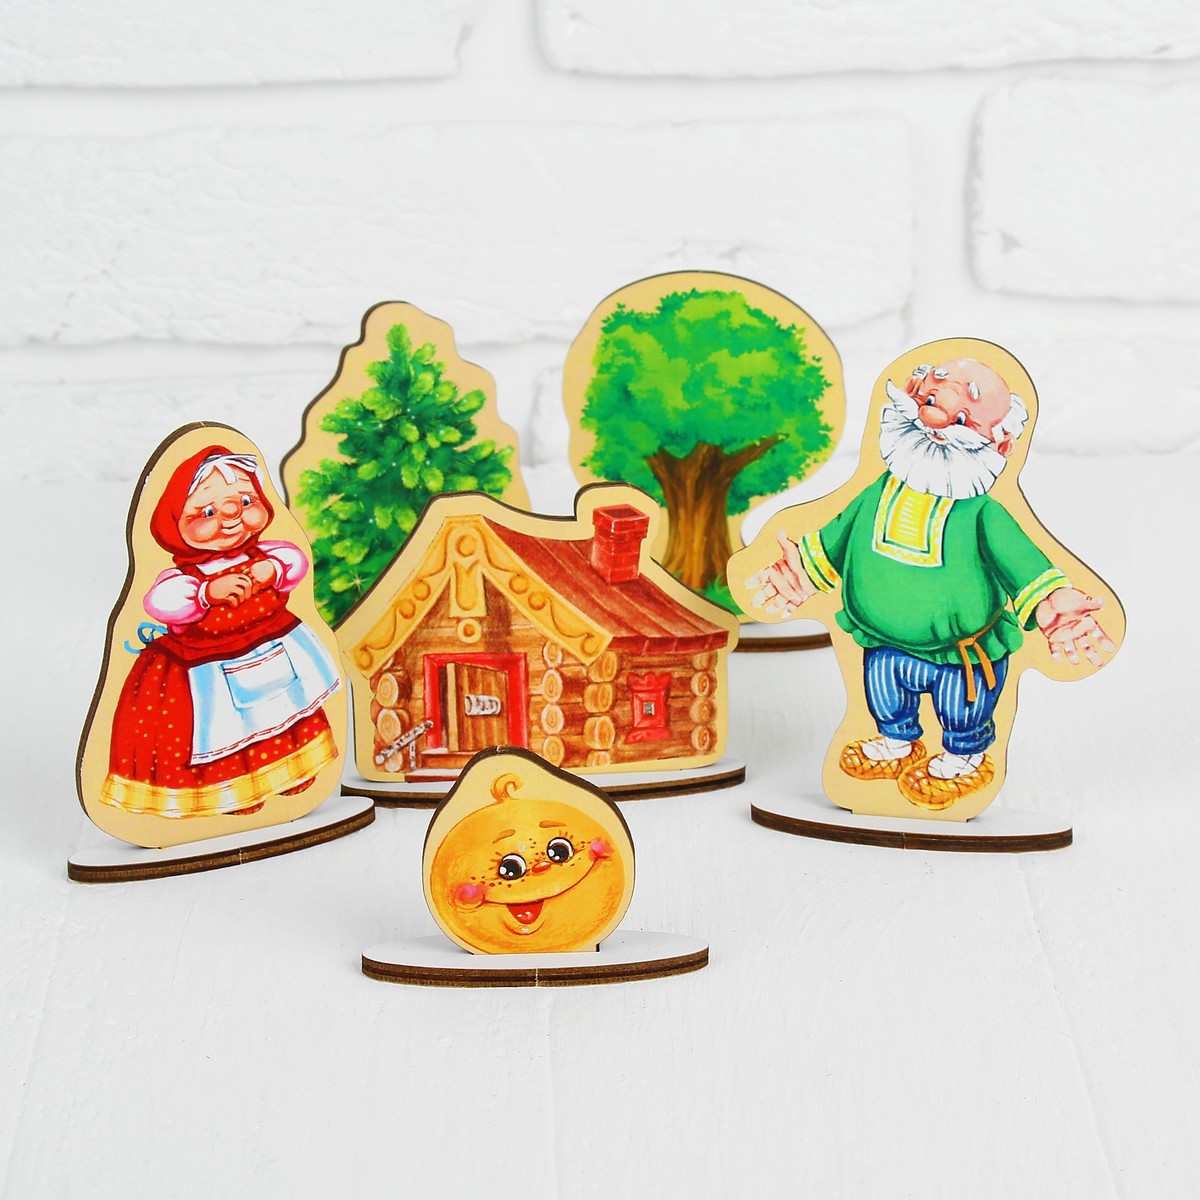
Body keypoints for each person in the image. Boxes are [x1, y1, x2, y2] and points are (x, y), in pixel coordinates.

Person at [748, 358, 1115, 810]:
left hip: (963, 656)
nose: (936, 420)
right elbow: (832, 542)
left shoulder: (983, 514)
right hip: (883, 642)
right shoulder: (874, 493)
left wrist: (1051, 603)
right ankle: (897, 742)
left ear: (1000, 443)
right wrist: (798, 574)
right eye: (930, 399)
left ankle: (965, 756)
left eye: (962, 420)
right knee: (884, 695)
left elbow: (1023, 566)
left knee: (963, 710)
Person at [102, 445, 341, 818]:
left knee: (283, 716)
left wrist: (271, 570)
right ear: (175, 522)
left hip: (272, 650)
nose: (232, 519)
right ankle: (235, 793)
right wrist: (206, 592)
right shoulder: (185, 578)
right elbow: (160, 602)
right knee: (229, 731)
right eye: (207, 512)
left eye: (246, 501)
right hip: (210, 668)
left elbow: (295, 561)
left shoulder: (263, 555)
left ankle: (291, 772)